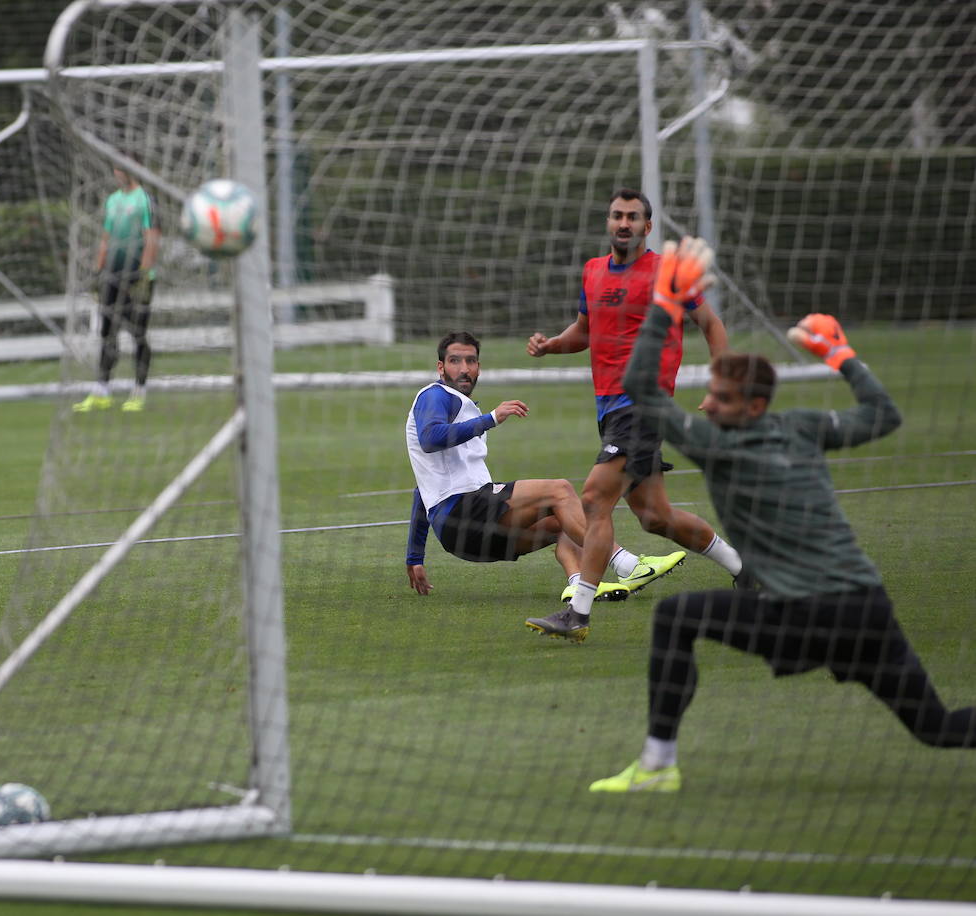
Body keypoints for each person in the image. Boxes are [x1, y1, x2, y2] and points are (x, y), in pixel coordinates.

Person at [589, 239, 976, 793]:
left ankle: (656, 766)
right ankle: (655, 766)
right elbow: (882, 415)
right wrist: (842, 357)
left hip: (805, 614)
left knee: (677, 620)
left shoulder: (715, 444)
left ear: (751, 407)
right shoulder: (802, 426)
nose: (707, 404)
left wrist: (667, 305)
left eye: (720, 397)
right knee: (935, 726)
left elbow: (639, 387)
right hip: (867, 608)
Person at [524, 188, 742, 643]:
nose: (623, 223)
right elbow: (583, 332)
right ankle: (746, 568)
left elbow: (712, 325)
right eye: (616, 216)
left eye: (633, 217)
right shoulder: (592, 272)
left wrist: (721, 384)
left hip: (643, 405)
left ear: (648, 226)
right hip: (610, 410)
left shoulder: (668, 273)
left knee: (593, 500)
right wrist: (551, 346)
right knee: (654, 517)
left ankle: (578, 613)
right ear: (609, 223)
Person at [406, 331, 685, 616]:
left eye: (471, 361)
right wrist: (491, 418)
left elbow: (423, 489)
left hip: (462, 537)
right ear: (440, 367)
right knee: (559, 490)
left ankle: (577, 586)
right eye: (455, 361)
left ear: (479, 366)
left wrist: (414, 556)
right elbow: (430, 439)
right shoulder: (435, 395)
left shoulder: (458, 405)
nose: (464, 369)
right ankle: (628, 565)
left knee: (561, 521)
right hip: (463, 512)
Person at [73, 163, 161, 414]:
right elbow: (106, 237)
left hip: (137, 276)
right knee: (107, 333)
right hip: (111, 275)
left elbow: (152, 236)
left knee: (138, 333)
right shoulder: (113, 201)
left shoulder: (145, 199)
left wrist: (145, 274)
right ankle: (102, 390)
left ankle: (139, 391)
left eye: (121, 168)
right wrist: (97, 271)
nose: (117, 173)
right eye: (115, 168)